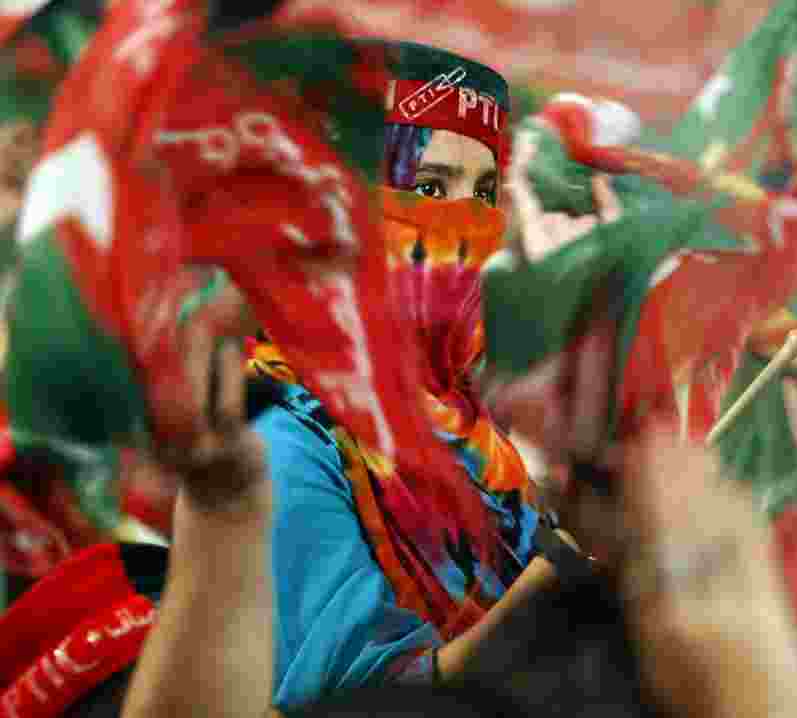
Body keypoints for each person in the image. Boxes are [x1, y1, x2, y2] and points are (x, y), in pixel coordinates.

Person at [248, 40, 623, 709]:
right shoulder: (282, 444)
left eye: (484, 193)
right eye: (428, 188)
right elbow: (363, 703)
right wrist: (560, 565)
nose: (467, 225)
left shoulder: (471, 424)